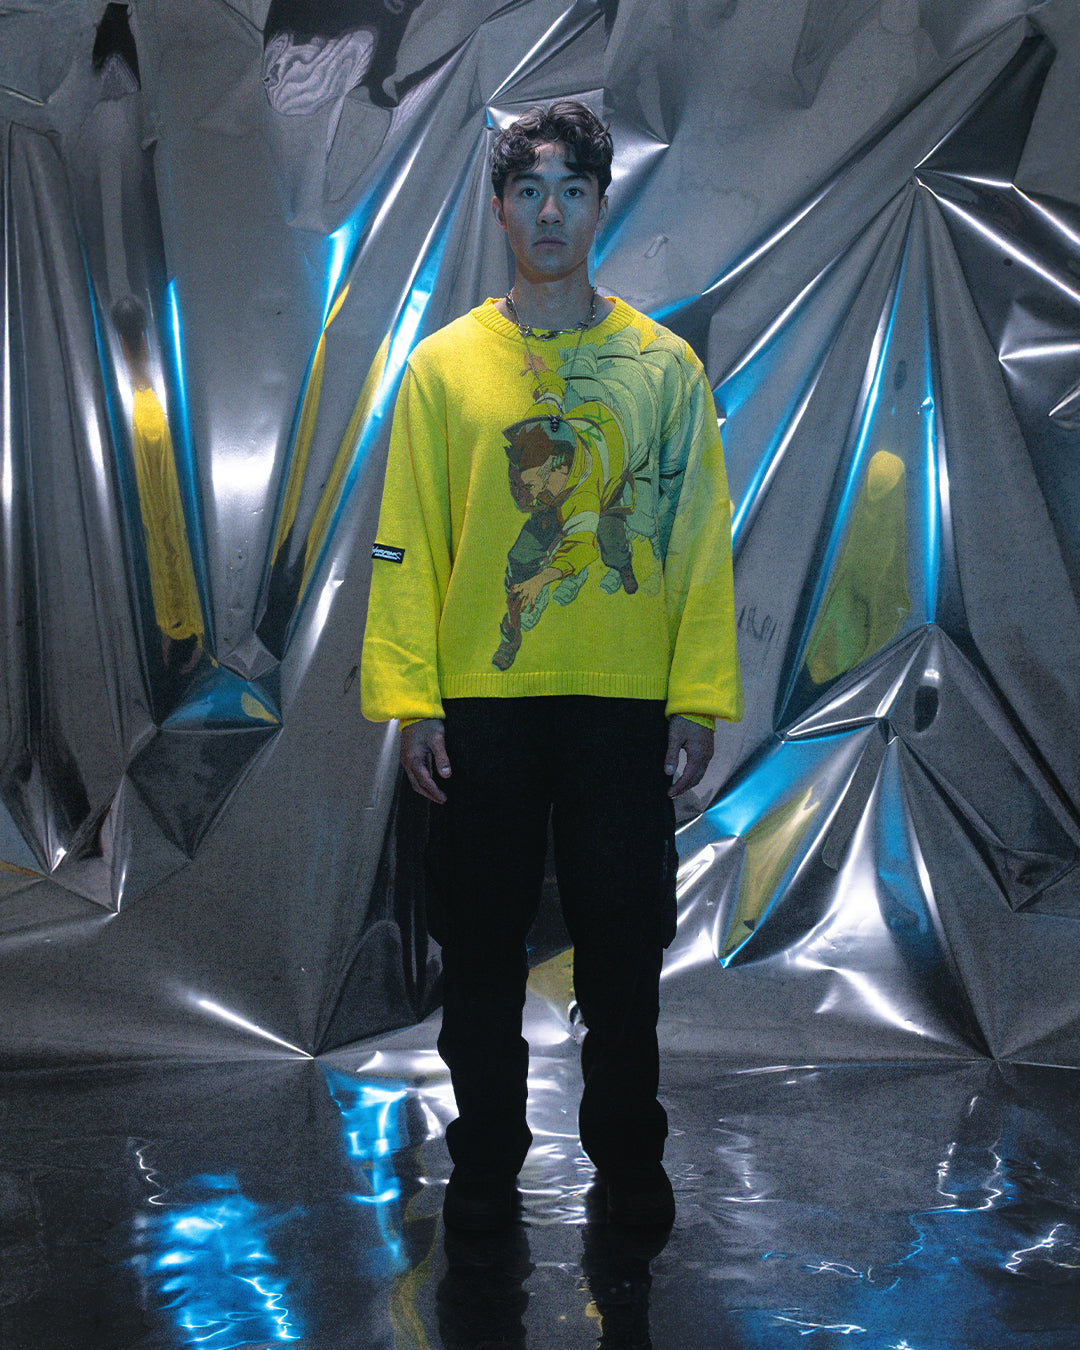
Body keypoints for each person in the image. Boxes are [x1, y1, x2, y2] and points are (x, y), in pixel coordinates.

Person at [361, 101, 743, 1232]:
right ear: (498, 207)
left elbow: (697, 542)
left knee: (623, 944)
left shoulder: (663, 369)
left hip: (623, 703)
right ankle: (485, 1162)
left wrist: (697, 696)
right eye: (528, 189)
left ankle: (629, 1159)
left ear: (601, 204)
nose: (549, 212)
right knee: (480, 942)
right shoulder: (443, 370)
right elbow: (409, 537)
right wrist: (413, 701)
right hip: (483, 706)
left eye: (572, 189)